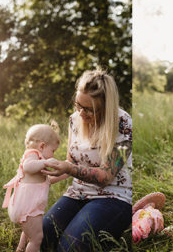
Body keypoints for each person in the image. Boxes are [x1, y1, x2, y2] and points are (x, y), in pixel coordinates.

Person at [41, 70, 132, 251]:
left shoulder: (123, 123)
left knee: (69, 248)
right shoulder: (74, 120)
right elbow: (70, 161)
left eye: (89, 109)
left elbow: (106, 176)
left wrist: (68, 168)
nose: (81, 113)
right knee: (41, 236)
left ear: (106, 107)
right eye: (78, 105)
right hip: (78, 193)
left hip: (114, 197)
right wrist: (42, 178)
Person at [3, 123, 64, 252]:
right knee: (37, 238)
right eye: (53, 151)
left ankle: (20, 248)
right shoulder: (32, 154)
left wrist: (67, 174)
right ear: (42, 146)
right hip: (27, 207)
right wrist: (46, 162)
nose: (53, 155)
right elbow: (27, 166)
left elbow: (48, 181)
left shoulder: (39, 162)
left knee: (29, 231)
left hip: (29, 207)